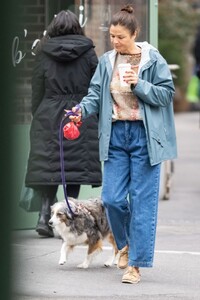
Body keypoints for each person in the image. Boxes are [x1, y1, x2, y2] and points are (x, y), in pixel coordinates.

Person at [69, 5, 177, 284]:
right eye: (112, 37)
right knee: (112, 199)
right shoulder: (107, 61)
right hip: (116, 135)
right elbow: (95, 94)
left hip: (144, 137)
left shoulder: (153, 60)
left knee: (141, 202)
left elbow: (166, 95)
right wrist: (81, 110)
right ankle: (126, 244)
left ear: (134, 34)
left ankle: (135, 266)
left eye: (120, 37)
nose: (115, 42)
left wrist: (139, 84)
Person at [25, 10, 102, 238]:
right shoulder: (89, 54)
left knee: (48, 168)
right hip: (79, 114)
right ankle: (67, 220)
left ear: (54, 28)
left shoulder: (43, 53)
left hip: (48, 113)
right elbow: (95, 86)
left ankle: (42, 216)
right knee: (74, 169)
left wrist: (38, 113)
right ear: (77, 28)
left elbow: (36, 89)